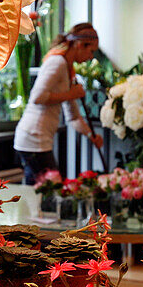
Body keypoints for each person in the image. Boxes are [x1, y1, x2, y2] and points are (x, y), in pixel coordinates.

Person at [13, 23, 105, 185]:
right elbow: (37, 97)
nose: (91, 57)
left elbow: (73, 117)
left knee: (41, 194)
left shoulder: (68, 70)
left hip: (37, 140)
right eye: (91, 51)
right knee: (50, 191)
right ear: (79, 45)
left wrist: (91, 135)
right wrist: (72, 94)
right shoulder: (57, 62)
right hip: (34, 139)